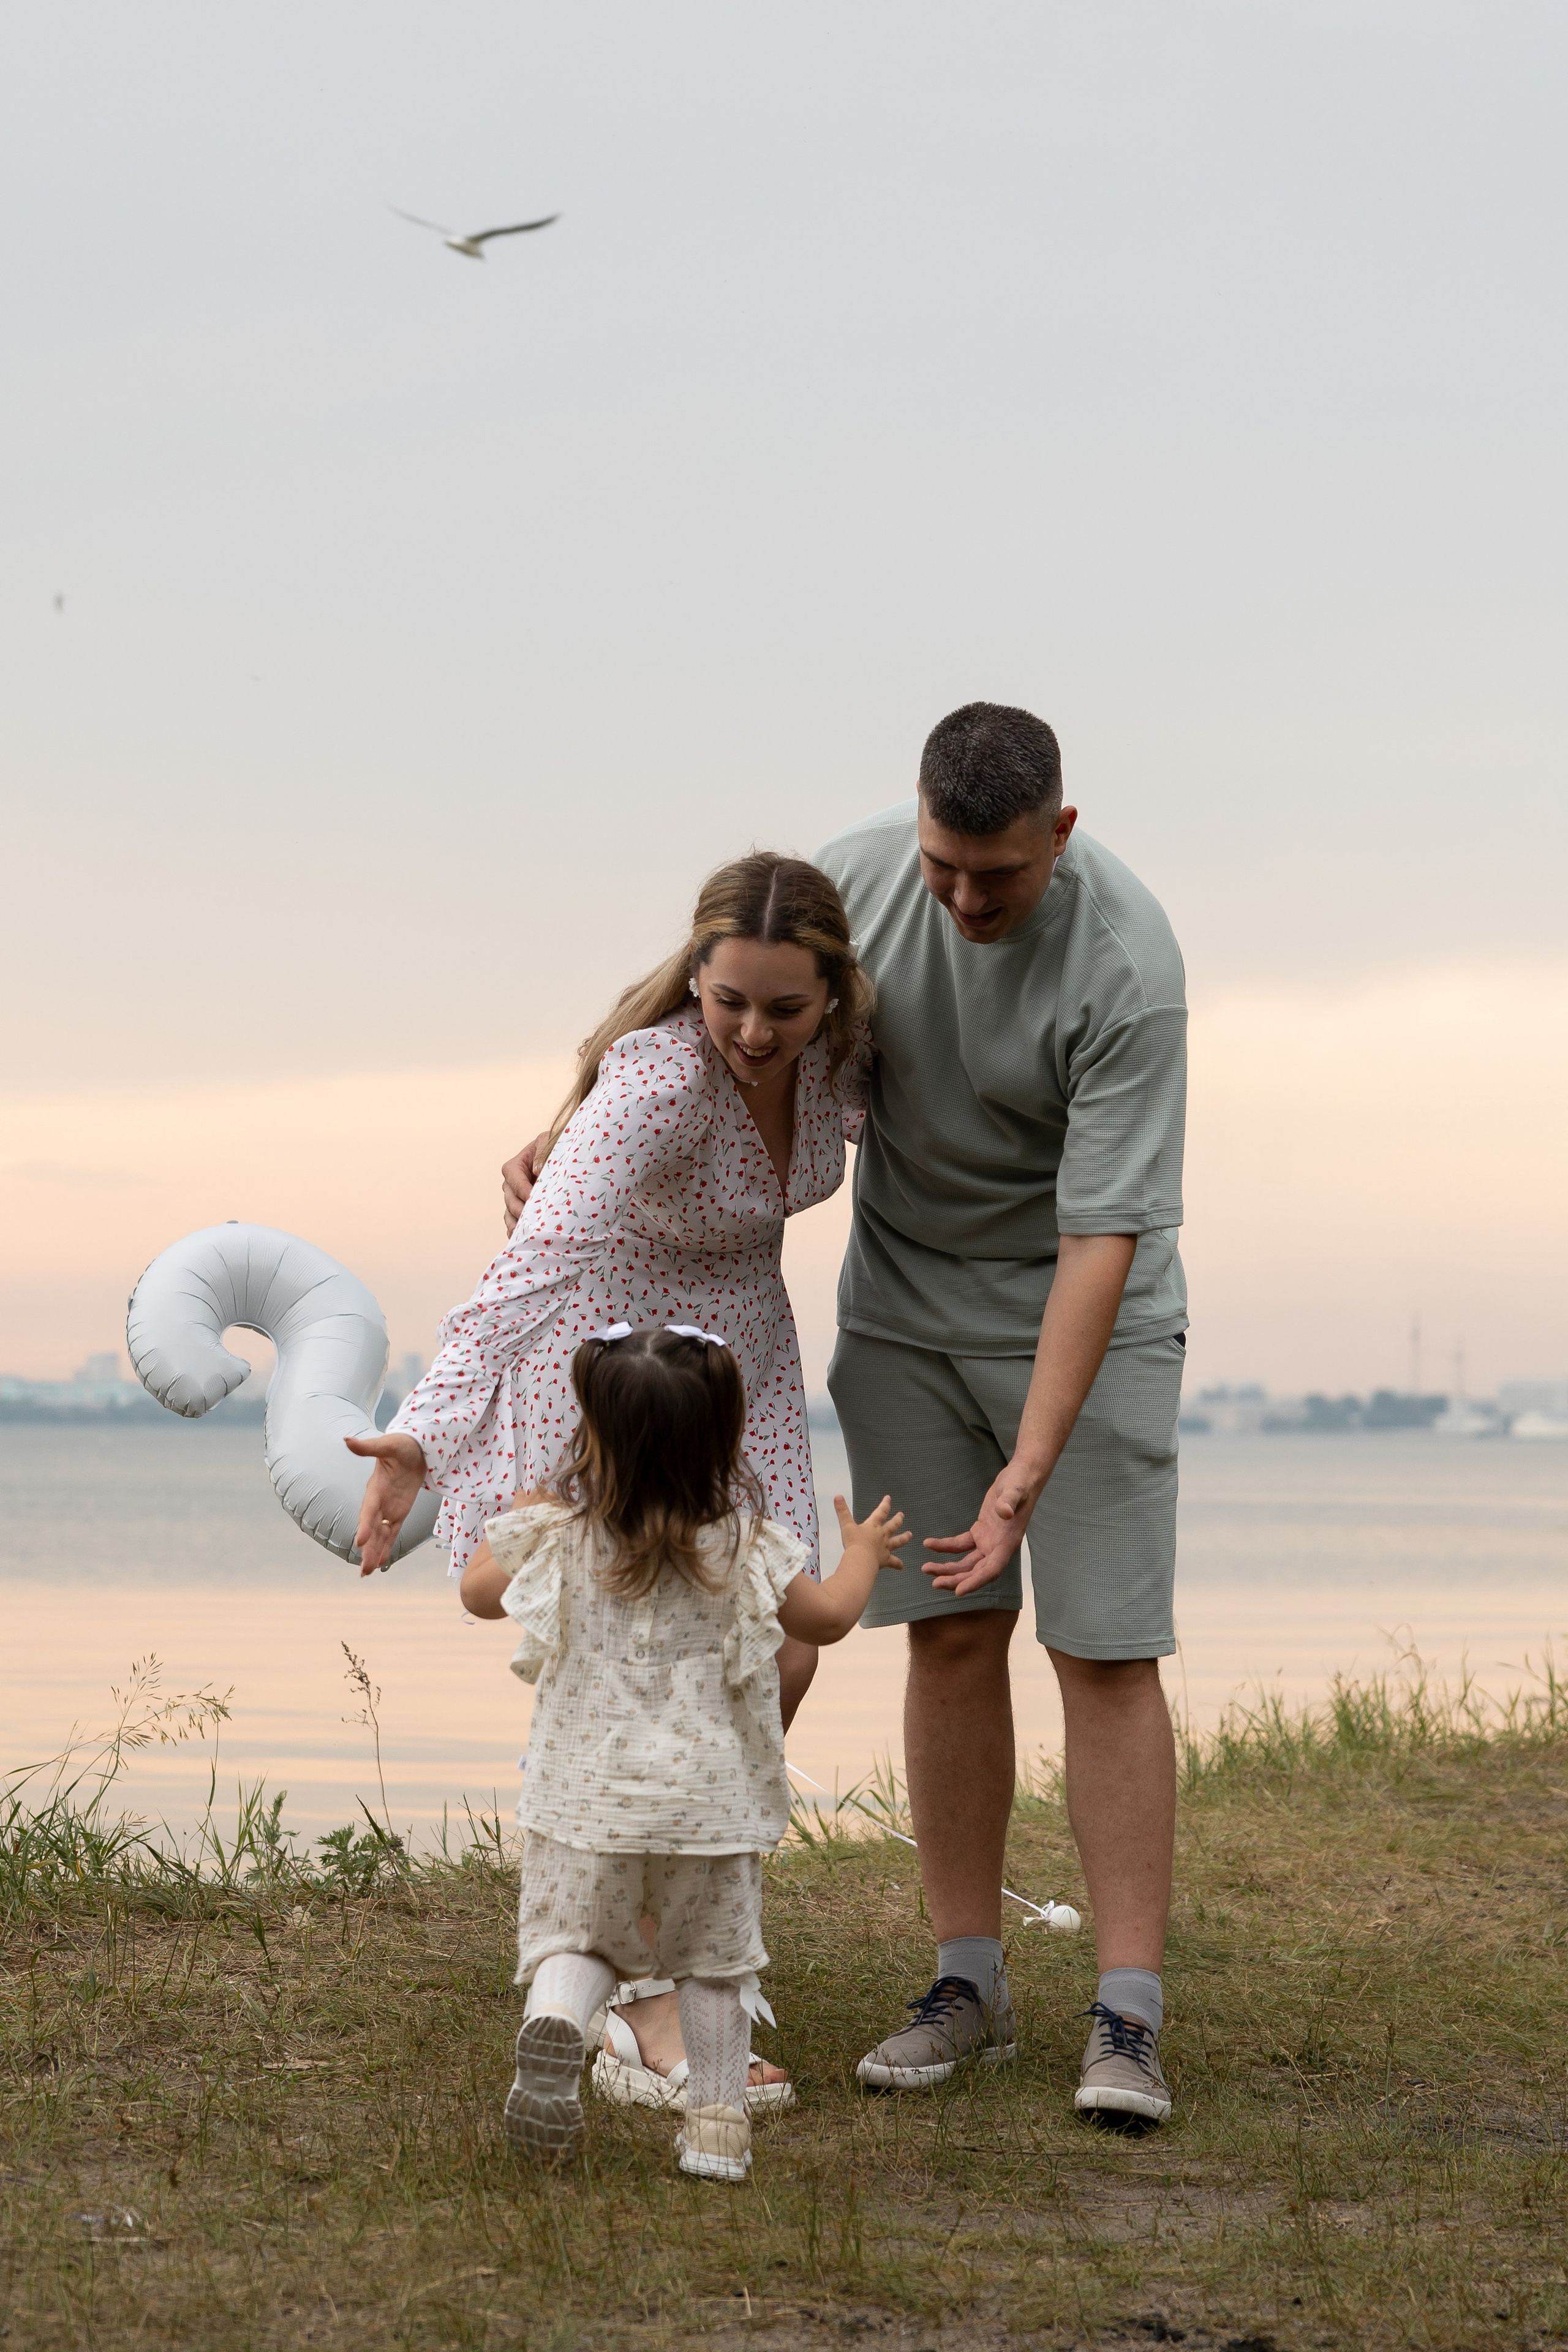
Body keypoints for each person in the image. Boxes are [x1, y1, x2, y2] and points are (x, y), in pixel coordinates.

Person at [350, 851, 872, 2111]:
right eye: (725, 999)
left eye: (782, 1009)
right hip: (617, 1366)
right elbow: (530, 1264)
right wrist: (422, 1434)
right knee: (655, 1668)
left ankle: (672, 1936)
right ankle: (644, 1993)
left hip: (734, 1362)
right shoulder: (651, 1083)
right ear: (692, 977)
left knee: (776, 1647)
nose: (751, 1032)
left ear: (833, 1000)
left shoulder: (847, 1057)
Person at [811, 701, 1188, 2126]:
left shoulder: (1128, 963)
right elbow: (700, 996)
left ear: (1061, 836)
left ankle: (1127, 2018)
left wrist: (1028, 1466)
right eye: (941, 867)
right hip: (901, 1315)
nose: (965, 901)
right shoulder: (852, 886)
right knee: (949, 1634)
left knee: (1100, 1646)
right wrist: (577, 1105)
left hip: (1086, 1318)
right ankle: (964, 1984)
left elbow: (1102, 1237)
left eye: (1000, 876)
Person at [458, 1324, 909, 2180]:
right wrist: (862, 1556)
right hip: (708, 1810)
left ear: (593, 1433)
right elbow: (830, 1622)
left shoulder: (559, 1536)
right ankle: (715, 2133)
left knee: (580, 1943)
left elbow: (479, 1594)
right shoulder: (743, 1547)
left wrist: (518, 1513)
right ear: (723, 1437)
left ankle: (557, 2020)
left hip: (587, 1806)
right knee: (712, 1964)